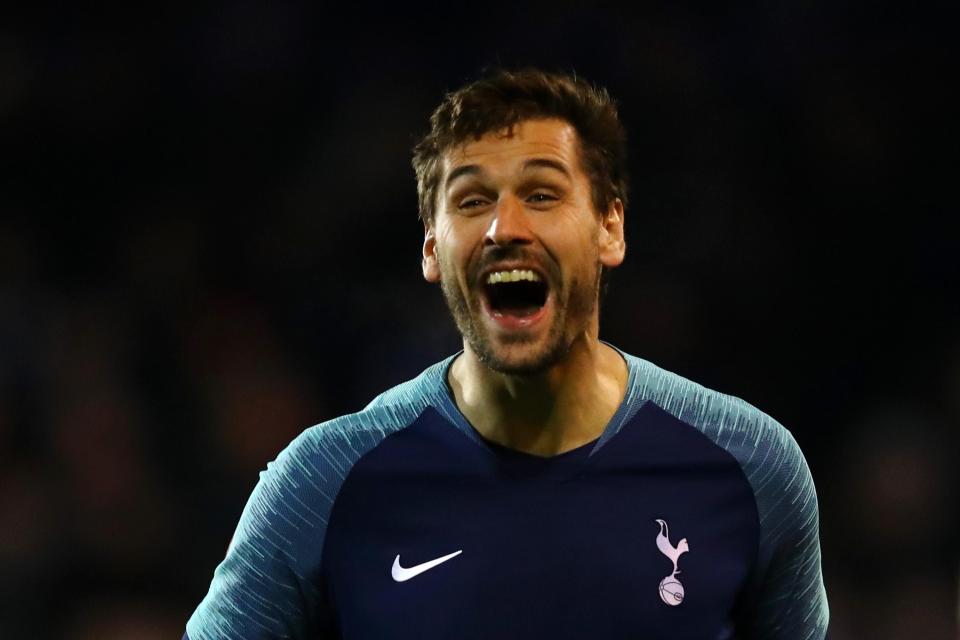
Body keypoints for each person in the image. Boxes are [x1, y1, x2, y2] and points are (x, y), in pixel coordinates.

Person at [184, 68, 829, 639]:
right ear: (432, 248)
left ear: (610, 226)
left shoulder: (750, 467)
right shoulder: (325, 482)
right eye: (472, 201)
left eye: (542, 194)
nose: (504, 228)